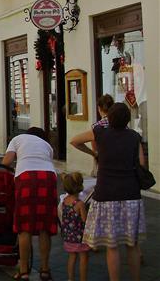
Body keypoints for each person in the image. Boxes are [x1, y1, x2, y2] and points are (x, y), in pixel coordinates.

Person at [70, 103, 146, 281]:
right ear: (127, 119)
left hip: (106, 194)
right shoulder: (135, 137)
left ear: (109, 118)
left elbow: (75, 141)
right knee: (132, 244)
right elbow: (141, 165)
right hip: (131, 194)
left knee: (112, 246)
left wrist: (94, 154)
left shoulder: (100, 134)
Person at [1, 127, 58, 281]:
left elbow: (6, 162)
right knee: (45, 226)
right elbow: (45, 162)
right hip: (48, 177)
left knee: (24, 227)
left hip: (26, 178)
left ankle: (24, 270)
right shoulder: (47, 146)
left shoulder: (18, 139)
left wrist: (14, 168)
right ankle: (45, 269)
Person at [60, 172, 90, 281]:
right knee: (83, 258)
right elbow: (84, 220)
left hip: (68, 235)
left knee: (72, 257)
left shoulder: (64, 201)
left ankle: (70, 278)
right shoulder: (80, 204)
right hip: (80, 236)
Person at [89, 94, 114, 176]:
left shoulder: (96, 127)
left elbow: (95, 149)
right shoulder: (120, 124)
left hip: (104, 161)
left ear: (99, 109)